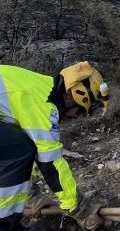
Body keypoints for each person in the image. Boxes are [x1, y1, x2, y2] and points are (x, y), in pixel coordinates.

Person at [0, 62, 110, 230]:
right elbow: (50, 163)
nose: (78, 117)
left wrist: (32, 196)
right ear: (73, 95)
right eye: (81, 111)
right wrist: (81, 208)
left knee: (19, 147)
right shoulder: (43, 105)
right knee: (18, 151)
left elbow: (25, 150)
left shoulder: (41, 89)